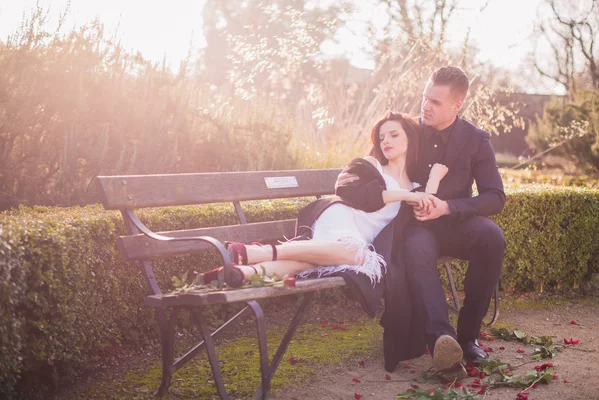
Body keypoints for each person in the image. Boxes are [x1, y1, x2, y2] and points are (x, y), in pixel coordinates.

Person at [337, 66, 506, 376]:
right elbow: (366, 170)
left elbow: (495, 197)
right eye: (424, 98)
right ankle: (442, 340)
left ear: (457, 105)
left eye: (436, 102)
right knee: (416, 250)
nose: (425, 106)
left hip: (454, 221)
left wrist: (447, 207)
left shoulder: (477, 140)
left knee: (492, 238)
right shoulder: (405, 130)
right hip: (413, 227)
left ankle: (468, 339)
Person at [199, 112, 448, 299]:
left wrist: (433, 179)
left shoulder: (415, 185)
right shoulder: (370, 165)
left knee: (312, 262)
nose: (386, 141)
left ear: (411, 139)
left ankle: (242, 273)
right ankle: (259, 253)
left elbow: (424, 208)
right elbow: (348, 190)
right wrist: (404, 196)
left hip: (354, 238)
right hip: (341, 218)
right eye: (382, 137)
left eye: (394, 135)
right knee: (355, 254)